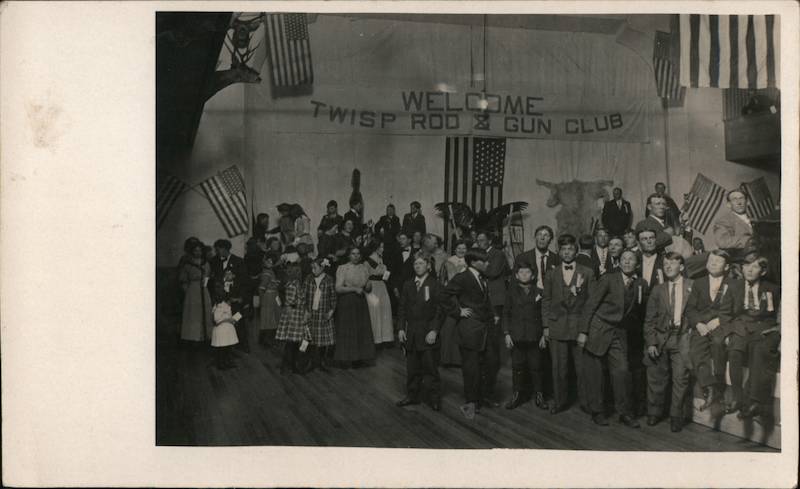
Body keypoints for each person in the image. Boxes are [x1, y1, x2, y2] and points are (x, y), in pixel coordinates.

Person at [580, 249, 646, 428]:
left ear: (637, 264)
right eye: (623, 259)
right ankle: (597, 412)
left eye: (631, 259)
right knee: (596, 374)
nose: (626, 262)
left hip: (619, 333)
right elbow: (590, 304)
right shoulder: (609, 279)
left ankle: (625, 413)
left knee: (622, 372)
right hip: (598, 330)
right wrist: (583, 331)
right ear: (619, 262)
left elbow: (638, 312)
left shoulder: (641, 283)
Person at [722, 254, 780, 417]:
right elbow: (725, 312)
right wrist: (728, 332)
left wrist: (775, 329)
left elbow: (776, 314)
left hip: (762, 328)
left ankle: (754, 401)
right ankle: (737, 397)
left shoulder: (772, 289)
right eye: (746, 265)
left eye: (754, 266)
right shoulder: (734, 286)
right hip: (741, 326)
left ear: (762, 272)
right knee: (734, 352)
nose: (749, 269)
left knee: (759, 352)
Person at [542, 234, 594, 414]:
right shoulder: (551, 273)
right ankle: (560, 401)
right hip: (557, 327)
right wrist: (546, 326)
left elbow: (591, 303)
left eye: (570, 249)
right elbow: (546, 300)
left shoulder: (587, 273)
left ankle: (586, 403)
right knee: (559, 368)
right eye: (563, 249)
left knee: (583, 368)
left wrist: (585, 330)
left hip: (579, 328)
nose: (567, 252)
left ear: (576, 251)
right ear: (558, 251)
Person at [442, 248, 497, 419]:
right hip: (469, 329)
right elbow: (443, 295)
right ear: (474, 262)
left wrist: (493, 314)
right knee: (471, 368)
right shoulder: (462, 277)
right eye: (485, 261)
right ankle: (471, 403)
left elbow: (484, 300)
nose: (488, 264)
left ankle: (481, 398)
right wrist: (458, 311)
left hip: (484, 328)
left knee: (488, 364)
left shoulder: (482, 277)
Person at [643, 252, 693, 432]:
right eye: (665, 264)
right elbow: (649, 319)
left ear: (681, 267)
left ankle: (676, 416)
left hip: (682, 339)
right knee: (656, 377)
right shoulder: (658, 289)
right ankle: (654, 412)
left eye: (673, 263)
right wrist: (651, 342)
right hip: (660, 338)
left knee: (680, 379)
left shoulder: (692, 286)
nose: (668, 266)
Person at [685, 250, 736, 412]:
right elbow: (690, 308)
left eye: (718, 261)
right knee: (696, 349)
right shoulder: (698, 282)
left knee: (718, 343)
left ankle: (720, 386)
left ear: (727, 266)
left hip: (721, 325)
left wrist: (720, 320)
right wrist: (698, 323)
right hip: (702, 325)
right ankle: (710, 388)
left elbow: (736, 309)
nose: (713, 263)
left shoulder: (733, 284)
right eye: (711, 260)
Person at [396, 253, 445, 411]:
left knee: (430, 367)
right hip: (412, 333)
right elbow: (402, 308)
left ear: (428, 266)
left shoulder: (435, 284)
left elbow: (439, 310)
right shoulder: (408, 284)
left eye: (421, 264)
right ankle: (412, 395)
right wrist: (401, 328)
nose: (418, 266)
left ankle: (434, 398)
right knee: (412, 367)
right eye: (415, 264)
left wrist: (434, 330)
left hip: (427, 332)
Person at [503, 263, 547, 410]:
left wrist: (543, 335)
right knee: (517, 367)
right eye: (520, 272)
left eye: (527, 272)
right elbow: (506, 314)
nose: (524, 275)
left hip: (534, 336)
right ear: (516, 276)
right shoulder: (510, 292)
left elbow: (543, 315)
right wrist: (507, 333)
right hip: (517, 336)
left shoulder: (539, 292)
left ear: (533, 275)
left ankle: (539, 396)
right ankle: (516, 395)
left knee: (537, 367)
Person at [476, 231, 508, 402]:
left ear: (489, 240)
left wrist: (476, 266)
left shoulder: (498, 254)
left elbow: (494, 272)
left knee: (494, 337)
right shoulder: (479, 254)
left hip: (495, 299)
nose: (479, 242)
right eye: (478, 240)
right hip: (481, 299)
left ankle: (493, 365)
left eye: (482, 239)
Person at [334, 247, 376, 367]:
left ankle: (359, 357)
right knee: (348, 330)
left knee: (360, 329)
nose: (356, 256)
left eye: (358, 254)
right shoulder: (343, 268)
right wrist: (354, 289)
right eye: (353, 254)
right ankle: (346, 358)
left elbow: (367, 288)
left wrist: (368, 285)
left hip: (361, 301)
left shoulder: (364, 268)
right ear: (349, 256)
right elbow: (338, 288)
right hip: (347, 301)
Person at [302, 257, 337, 372]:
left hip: (323, 314)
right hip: (311, 314)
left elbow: (333, 298)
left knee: (322, 341)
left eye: (315, 268)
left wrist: (331, 312)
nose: (313, 270)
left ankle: (321, 361)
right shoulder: (308, 279)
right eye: (311, 268)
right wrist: (305, 311)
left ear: (322, 267)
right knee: (309, 339)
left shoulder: (329, 280)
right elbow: (304, 296)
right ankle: (309, 361)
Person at [275, 262, 309, 375]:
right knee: (290, 344)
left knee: (295, 344)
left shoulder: (297, 284)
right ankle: (287, 367)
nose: (299, 273)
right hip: (293, 316)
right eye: (297, 271)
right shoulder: (292, 285)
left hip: (297, 314)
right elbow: (290, 303)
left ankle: (293, 366)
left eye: (299, 271)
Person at [438, 240, 469, 366]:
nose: (461, 250)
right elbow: (442, 280)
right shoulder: (447, 262)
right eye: (459, 248)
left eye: (464, 248)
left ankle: (460, 360)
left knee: (462, 328)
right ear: (454, 250)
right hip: (451, 298)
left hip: (465, 298)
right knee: (448, 327)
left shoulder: (470, 262)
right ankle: (446, 359)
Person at [178, 240, 212, 343]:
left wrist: (204, 286)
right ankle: (193, 336)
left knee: (205, 312)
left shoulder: (205, 263)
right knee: (193, 314)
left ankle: (205, 336)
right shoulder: (188, 264)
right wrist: (188, 292)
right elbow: (183, 280)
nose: (198, 253)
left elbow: (207, 277)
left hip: (203, 290)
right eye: (196, 251)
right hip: (192, 291)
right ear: (192, 251)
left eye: (200, 250)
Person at [514, 225, 559, 297]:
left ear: (551, 239)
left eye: (546, 235)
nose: (542, 238)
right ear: (535, 237)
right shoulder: (523, 257)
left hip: (550, 299)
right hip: (529, 299)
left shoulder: (557, 259)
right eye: (539, 234)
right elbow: (515, 283)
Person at [365, 241, 395, 346]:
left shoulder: (381, 259)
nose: (383, 249)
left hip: (382, 286)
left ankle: (385, 338)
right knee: (375, 310)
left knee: (385, 309)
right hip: (373, 287)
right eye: (381, 247)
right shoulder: (368, 261)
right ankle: (375, 339)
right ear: (375, 248)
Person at [712, 189, 755, 261]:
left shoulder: (754, 220)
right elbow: (722, 241)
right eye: (734, 199)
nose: (739, 202)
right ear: (728, 205)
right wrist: (751, 240)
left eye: (741, 198)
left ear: (747, 202)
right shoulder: (723, 221)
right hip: (740, 261)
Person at [210, 283, 240, 370]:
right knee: (223, 348)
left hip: (227, 327)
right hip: (222, 328)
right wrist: (228, 320)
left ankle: (226, 361)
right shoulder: (219, 306)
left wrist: (233, 319)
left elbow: (228, 316)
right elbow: (216, 320)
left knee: (226, 347)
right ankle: (221, 363)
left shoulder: (222, 305)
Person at [257, 254, 281, 347]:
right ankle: (266, 341)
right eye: (268, 261)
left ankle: (265, 340)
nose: (270, 263)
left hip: (273, 296)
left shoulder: (269, 271)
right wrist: (262, 300)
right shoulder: (267, 272)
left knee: (270, 318)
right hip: (269, 297)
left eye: (272, 262)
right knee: (269, 318)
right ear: (265, 261)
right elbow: (262, 288)